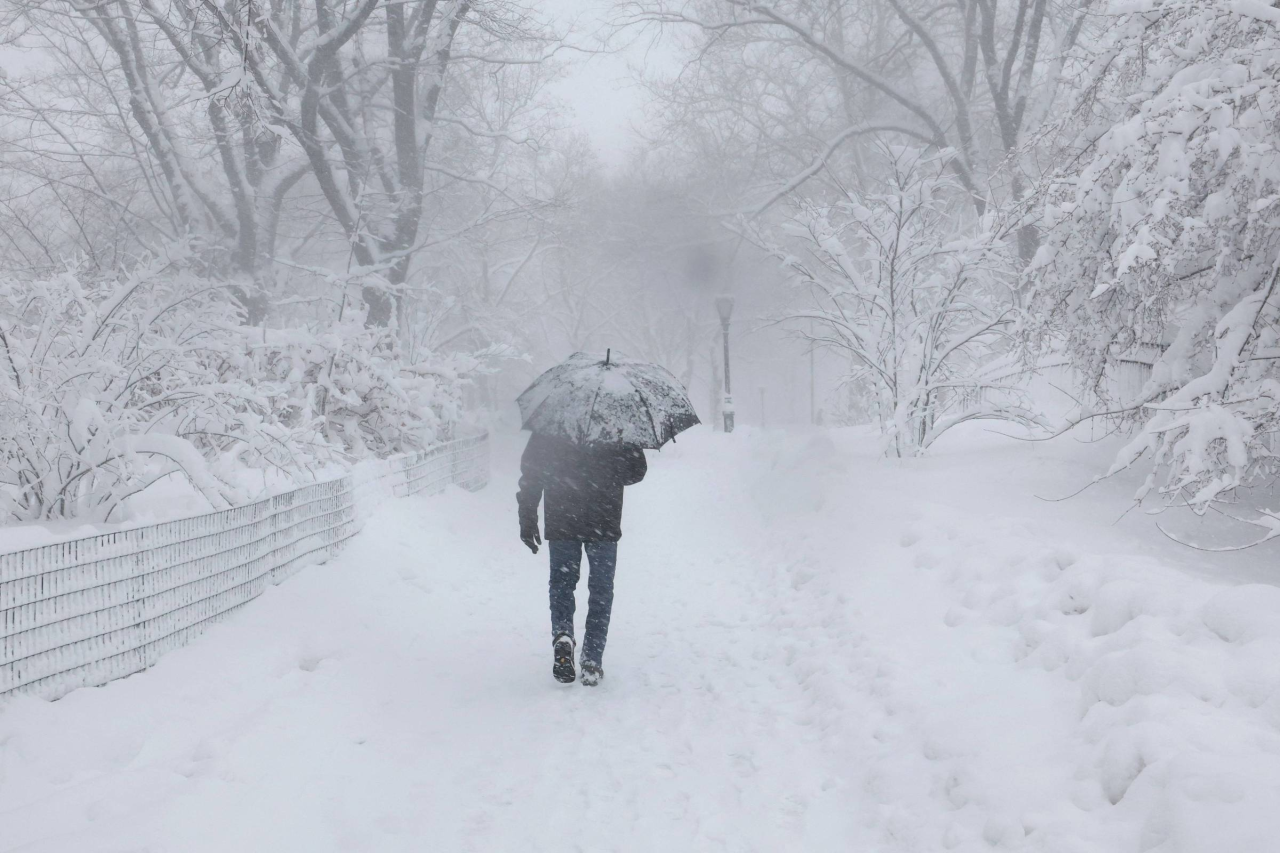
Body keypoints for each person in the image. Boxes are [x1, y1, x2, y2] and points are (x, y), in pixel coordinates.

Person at [517, 433, 647, 686]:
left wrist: (527, 517)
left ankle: (563, 634)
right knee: (601, 590)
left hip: (562, 519)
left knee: (562, 584)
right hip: (604, 520)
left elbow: (532, 473)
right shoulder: (616, 427)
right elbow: (636, 471)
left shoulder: (552, 425)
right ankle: (592, 659)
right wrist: (609, 469)